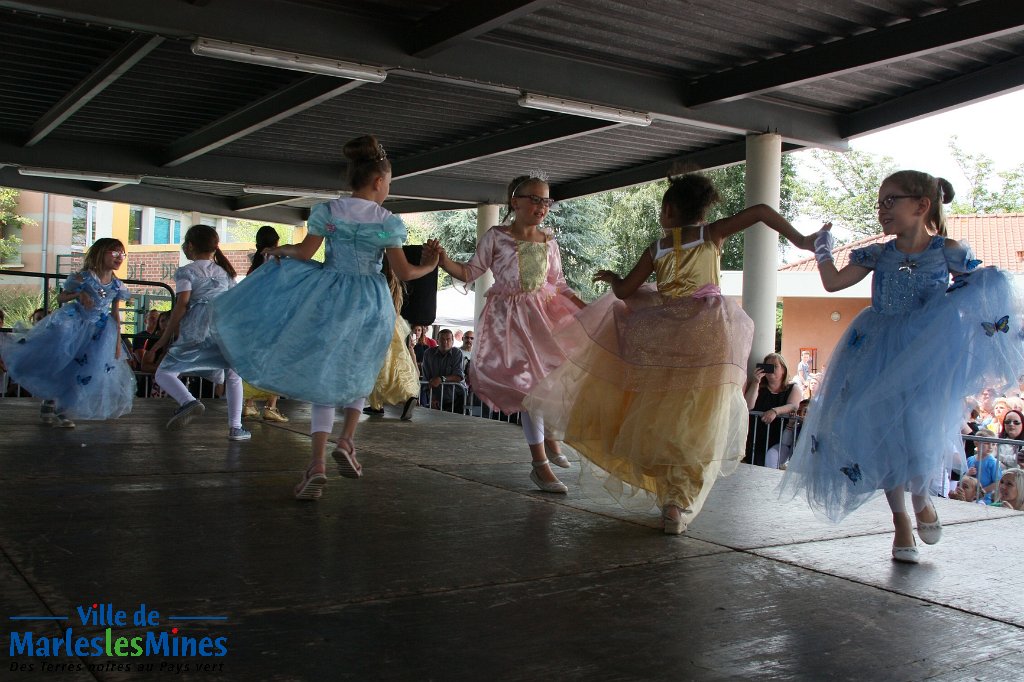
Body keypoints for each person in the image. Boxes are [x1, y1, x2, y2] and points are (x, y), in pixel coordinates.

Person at [523, 172, 816, 532]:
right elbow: (758, 211)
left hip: (663, 340)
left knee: (660, 414)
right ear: (702, 210)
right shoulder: (710, 235)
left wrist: (615, 279)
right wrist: (801, 240)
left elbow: (625, 292)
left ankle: (670, 501)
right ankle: (676, 504)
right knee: (696, 420)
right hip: (706, 338)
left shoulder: (656, 248)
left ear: (668, 210)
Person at [781, 170, 1024, 563]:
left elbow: (975, 291)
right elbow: (832, 284)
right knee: (883, 433)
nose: (882, 210)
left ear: (922, 205)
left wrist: (988, 284)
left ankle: (923, 498)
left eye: (891, 201)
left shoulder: (947, 251)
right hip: (875, 348)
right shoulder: (878, 253)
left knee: (917, 431)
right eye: (880, 203)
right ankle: (901, 523)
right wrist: (822, 249)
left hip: (924, 352)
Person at [211, 135, 437, 500]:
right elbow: (406, 273)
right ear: (379, 182)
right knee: (358, 370)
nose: (388, 189)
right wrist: (430, 264)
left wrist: (277, 250)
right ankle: (346, 440)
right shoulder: (387, 221)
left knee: (324, 377)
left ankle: (316, 463)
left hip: (330, 296)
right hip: (369, 299)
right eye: (389, 183)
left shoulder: (328, 212)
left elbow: (303, 252)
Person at [426, 172, 586, 494]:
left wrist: (584, 307)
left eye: (546, 200)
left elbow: (558, 284)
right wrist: (444, 262)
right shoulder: (497, 236)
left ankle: (551, 440)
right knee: (529, 391)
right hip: (510, 322)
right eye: (535, 199)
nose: (542, 207)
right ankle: (540, 464)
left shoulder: (549, 241)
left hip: (542, 316)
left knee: (556, 375)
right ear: (516, 202)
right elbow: (471, 271)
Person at [0, 238, 135, 427]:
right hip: (75, 327)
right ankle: (50, 404)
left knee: (82, 371)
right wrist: (79, 294)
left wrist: (117, 342)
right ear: (100, 253)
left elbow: (115, 314)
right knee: (63, 364)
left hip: (100, 332)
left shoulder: (117, 286)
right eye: (114, 253)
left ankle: (61, 410)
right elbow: (61, 297)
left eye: (122, 254)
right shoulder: (84, 277)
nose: (119, 257)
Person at [148, 225, 247, 441]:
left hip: (197, 328)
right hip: (223, 328)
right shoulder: (226, 273)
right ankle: (236, 427)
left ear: (190, 246)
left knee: (164, 373)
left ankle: (188, 400)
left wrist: (165, 337)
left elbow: (182, 304)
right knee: (233, 374)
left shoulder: (187, 271)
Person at [239, 225, 289, 423]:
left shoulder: (254, 265)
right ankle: (271, 406)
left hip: (254, 321)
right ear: (276, 243)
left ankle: (249, 404)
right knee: (275, 361)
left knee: (255, 361)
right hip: (275, 319)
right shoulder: (279, 261)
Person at [366, 258, 420, 421]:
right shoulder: (395, 284)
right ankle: (400, 396)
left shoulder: (379, 282)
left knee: (379, 367)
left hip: (379, 325)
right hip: (393, 324)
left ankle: (384, 402)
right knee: (395, 363)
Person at [743, 352, 802, 466]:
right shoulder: (758, 387)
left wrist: (775, 411)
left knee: (771, 460)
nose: (771, 369)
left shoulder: (793, 388)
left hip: (779, 437)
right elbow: (748, 405)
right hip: (756, 436)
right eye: (767, 366)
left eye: (775, 366)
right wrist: (756, 382)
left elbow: (793, 406)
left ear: (783, 370)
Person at [420, 328, 467, 413]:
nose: (445, 342)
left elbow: (459, 376)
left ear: (453, 342)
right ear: (437, 341)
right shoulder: (428, 354)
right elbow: (426, 379)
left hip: (456, 400)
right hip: (435, 399)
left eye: (448, 339)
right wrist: (432, 398)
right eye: (442, 339)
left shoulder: (457, 353)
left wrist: (441, 379)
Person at [966, 429, 1002, 503]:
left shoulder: (993, 462)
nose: (990, 447)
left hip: (985, 499)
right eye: (987, 443)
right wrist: (968, 473)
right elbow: (963, 477)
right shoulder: (970, 459)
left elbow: (998, 482)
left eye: (993, 444)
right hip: (969, 497)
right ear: (976, 443)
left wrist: (983, 491)